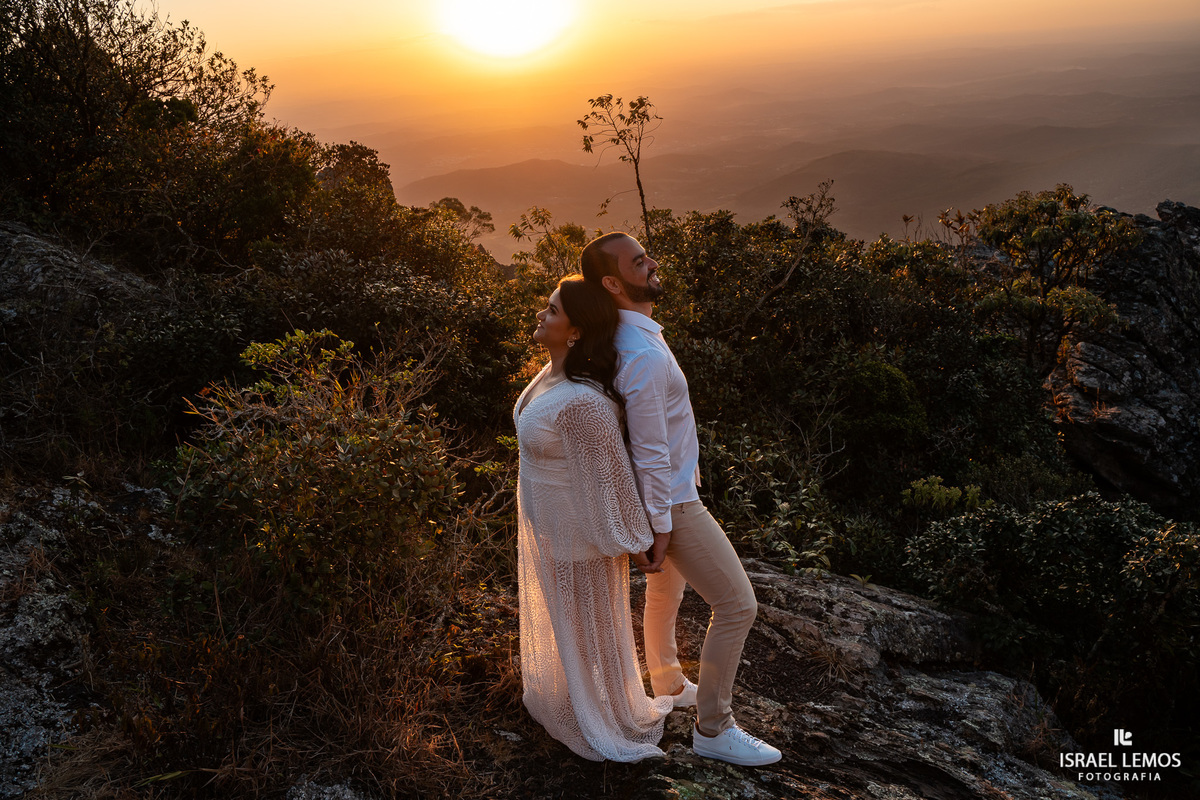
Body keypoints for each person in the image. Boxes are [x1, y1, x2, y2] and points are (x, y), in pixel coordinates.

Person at [582, 232, 783, 767]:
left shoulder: (640, 335)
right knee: (738, 606)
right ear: (611, 282)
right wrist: (661, 523)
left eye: (646, 255)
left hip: (671, 493)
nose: (651, 265)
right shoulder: (642, 352)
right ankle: (715, 729)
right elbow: (647, 449)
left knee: (665, 590)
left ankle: (668, 678)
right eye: (638, 261)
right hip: (671, 501)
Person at [513, 274, 673, 762]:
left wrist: (634, 538)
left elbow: (611, 476)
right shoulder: (549, 378)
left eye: (553, 310)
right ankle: (569, 698)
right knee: (566, 622)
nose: (542, 314)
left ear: (577, 330)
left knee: (585, 628)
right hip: (548, 522)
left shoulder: (585, 401)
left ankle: (599, 714)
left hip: (577, 532)